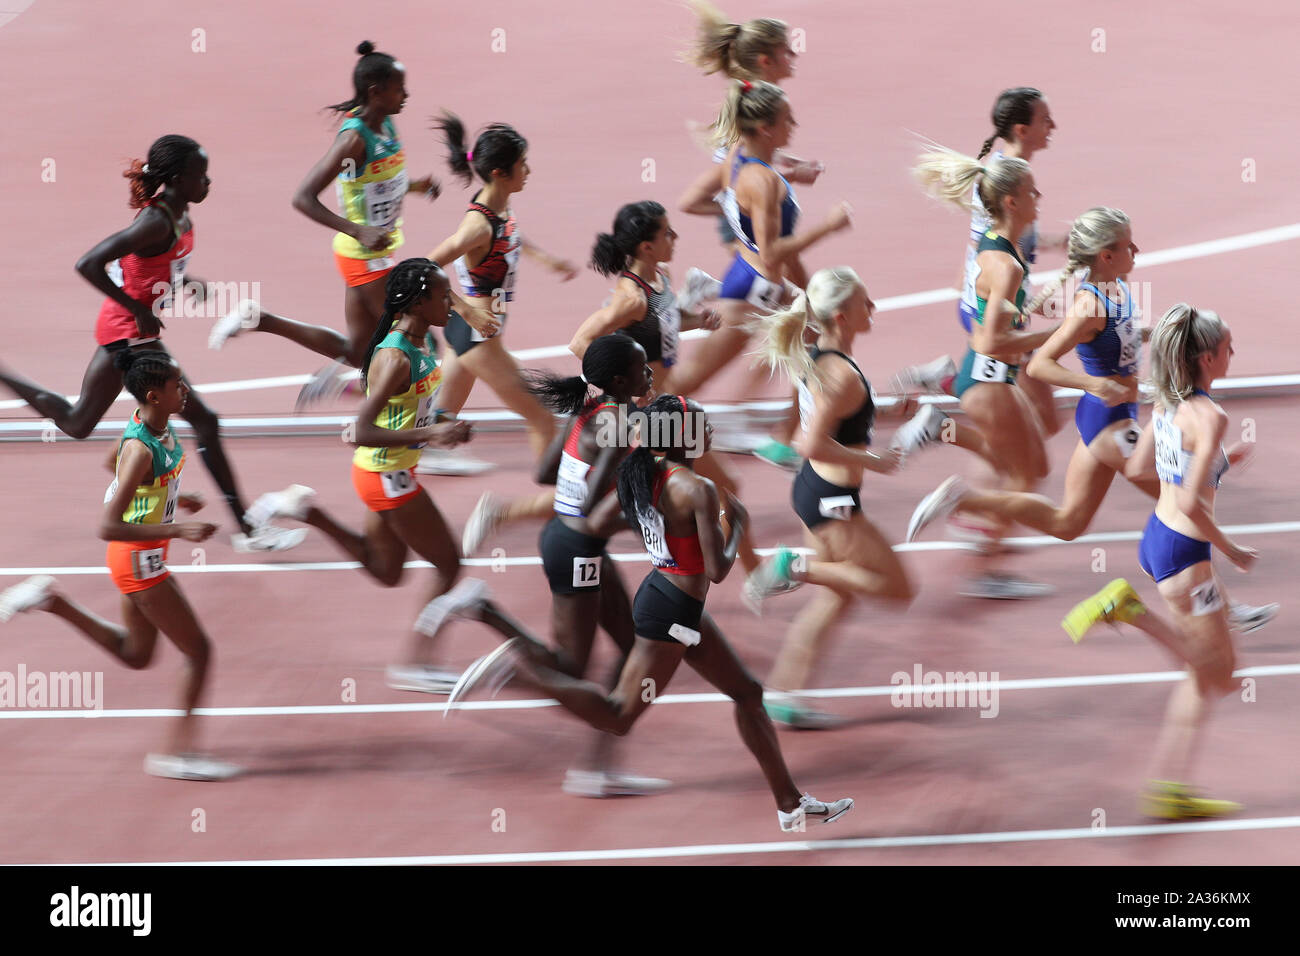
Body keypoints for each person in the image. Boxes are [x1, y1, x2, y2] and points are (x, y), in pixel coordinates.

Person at [444, 395, 855, 832]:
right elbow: (717, 571)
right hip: (672, 614)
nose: (711, 433)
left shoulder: (641, 472)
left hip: (668, 599)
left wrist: (654, 530)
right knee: (618, 716)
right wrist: (736, 525)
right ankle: (514, 675)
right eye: (703, 426)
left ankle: (791, 805)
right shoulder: (698, 490)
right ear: (679, 436)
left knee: (749, 694)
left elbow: (598, 522)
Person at [905, 208, 1275, 632]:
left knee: (1068, 523)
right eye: (1127, 246)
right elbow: (1041, 364)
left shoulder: (1116, 286)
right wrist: (1092, 384)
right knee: (1180, 503)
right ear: (1104, 255)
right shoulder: (1088, 304)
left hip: (1111, 419)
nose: (1136, 250)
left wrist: (1156, 334)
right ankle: (1222, 607)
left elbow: (1121, 338)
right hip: (1109, 421)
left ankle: (962, 499)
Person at [0, 135, 302, 553]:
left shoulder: (182, 218)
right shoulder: (154, 222)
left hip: (133, 334)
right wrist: (136, 308)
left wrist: (184, 282)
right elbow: (88, 263)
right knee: (205, 421)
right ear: (178, 179)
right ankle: (248, 529)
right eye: (202, 175)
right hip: (130, 336)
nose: (209, 182)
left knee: (77, 423)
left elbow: (152, 266)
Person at [245, 259, 522, 694]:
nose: (449, 303)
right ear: (418, 301)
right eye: (442, 296)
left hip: (388, 471)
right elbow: (361, 431)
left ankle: (307, 511)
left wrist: (444, 425)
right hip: (387, 475)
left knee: (387, 571)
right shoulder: (397, 354)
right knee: (448, 562)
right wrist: (433, 432)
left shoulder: (418, 341)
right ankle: (418, 662)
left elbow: (401, 404)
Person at [0, 351, 239, 780]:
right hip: (138, 560)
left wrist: (172, 498)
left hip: (141, 556)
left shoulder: (151, 428)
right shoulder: (141, 449)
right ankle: (177, 752)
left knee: (137, 653)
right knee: (200, 651)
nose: (185, 391)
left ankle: (52, 601)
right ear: (154, 395)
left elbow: (111, 463)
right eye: (177, 386)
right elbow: (109, 526)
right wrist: (178, 530)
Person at [1060, 304, 1256, 819]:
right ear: (1208, 358)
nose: (1233, 354)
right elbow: (1192, 502)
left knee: (1205, 674)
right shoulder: (1212, 415)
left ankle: (1171, 786)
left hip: (1159, 542)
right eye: (1229, 348)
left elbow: (1143, 465)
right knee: (1222, 673)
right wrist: (1232, 550)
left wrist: (1220, 461)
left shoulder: (1168, 403)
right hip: (1188, 556)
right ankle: (1126, 608)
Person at [460, 200, 718, 558]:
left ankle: (508, 513)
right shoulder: (630, 298)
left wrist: (697, 320)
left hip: (661, 407)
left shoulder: (660, 278)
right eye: (667, 233)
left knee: (619, 491)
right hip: (645, 415)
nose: (676, 236)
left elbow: (667, 320)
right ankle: (504, 512)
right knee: (610, 494)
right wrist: (616, 387)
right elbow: (580, 341)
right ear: (646, 246)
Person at [208, 41, 443, 407]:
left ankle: (260, 319)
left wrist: (413, 186)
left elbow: (370, 183)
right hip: (365, 255)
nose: (407, 94)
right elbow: (303, 197)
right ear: (375, 91)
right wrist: (358, 230)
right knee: (422, 341)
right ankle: (432, 438)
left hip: (375, 252)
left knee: (359, 351)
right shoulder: (352, 139)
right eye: (400, 88)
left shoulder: (386, 124)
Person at [744, 268, 919, 728]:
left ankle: (782, 694)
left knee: (838, 598)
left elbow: (837, 418)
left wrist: (881, 411)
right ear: (842, 315)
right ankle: (792, 567)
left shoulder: (821, 357)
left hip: (815, 492)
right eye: (866, 301)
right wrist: (875, 462)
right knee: (898, 588)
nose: (874, 307)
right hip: (832, 501)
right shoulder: (840, 373)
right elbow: (810, 442)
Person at [675, 0, 824, 468]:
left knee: (804, 333)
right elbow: (739, 175)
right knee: (801, 330)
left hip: (752, 228)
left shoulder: (750, 102)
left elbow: (742, 165)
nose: (794, 58)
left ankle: (777, 429)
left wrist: (782, 172)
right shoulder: (758, 107)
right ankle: (629, 426)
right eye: (787, 51)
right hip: (754, 239)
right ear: (766, 60)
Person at [910, 145, 1062, 598]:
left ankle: (944, 434)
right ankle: (987, 567)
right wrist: (1058, 336)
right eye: (1033, 192)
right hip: (988, 380)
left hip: (997, 379)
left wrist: (1034, 314)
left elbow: (994, 321)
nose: (1040, 197)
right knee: (1021, 477)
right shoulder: (1007, 263)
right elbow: (990, 340)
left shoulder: (1000, 247)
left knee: (1035, 467)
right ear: (1013, 202)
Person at [524, 334, 671, 796]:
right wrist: (647, 514)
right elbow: (592, 504)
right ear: (618, 380)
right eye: (643, 369)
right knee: (569, 667)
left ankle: (597, 769)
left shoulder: (586, 409)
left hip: (565, 539)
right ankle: (499, 646)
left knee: (630, 645)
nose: (650, 375)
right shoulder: (623, 420)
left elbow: (545, 473)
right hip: (577, 549)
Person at [415, 113, 577, 476]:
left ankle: (428, 447)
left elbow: (510, 236)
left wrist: (546, 259)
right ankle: (558, 503)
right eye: (523, 165)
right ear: (500, 172)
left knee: (443, 410)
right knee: (541, 415)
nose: (529, 171)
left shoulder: (499, 203)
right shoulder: (477, 225)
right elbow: (424, 268)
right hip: (477, 335)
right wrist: (466, 310)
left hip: (474, 330)